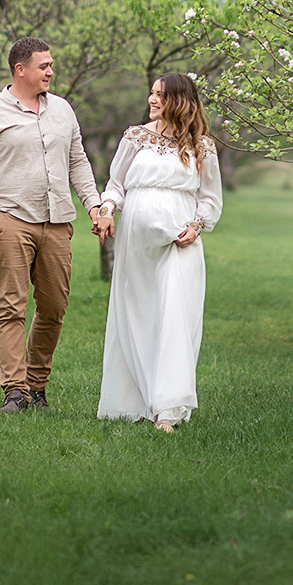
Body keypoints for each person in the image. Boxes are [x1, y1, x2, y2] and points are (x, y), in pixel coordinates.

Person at [0, 37, 113, 413]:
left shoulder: (62, 109)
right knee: (10, 307)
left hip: (58, 221)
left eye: (51, 65)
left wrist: (94, 205)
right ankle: (15, 391)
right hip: (10, 218)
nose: (51, 71)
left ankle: (36, 384)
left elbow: (77, 161)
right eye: (44, 66)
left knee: (53, 307)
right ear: (21, 69)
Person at [98, 73, 223, 432]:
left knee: (174, 316)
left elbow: (210, 197)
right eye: (151, 93)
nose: (152, 100)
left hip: (179, 241)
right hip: (135, 245)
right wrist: (107, 209)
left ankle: (167, 409)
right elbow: (117, 184)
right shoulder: (135, 137)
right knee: (136, 315)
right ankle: (134, 402)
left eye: (160, 95)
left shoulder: (202, 146)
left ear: (179, 101)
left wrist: (196, 226)